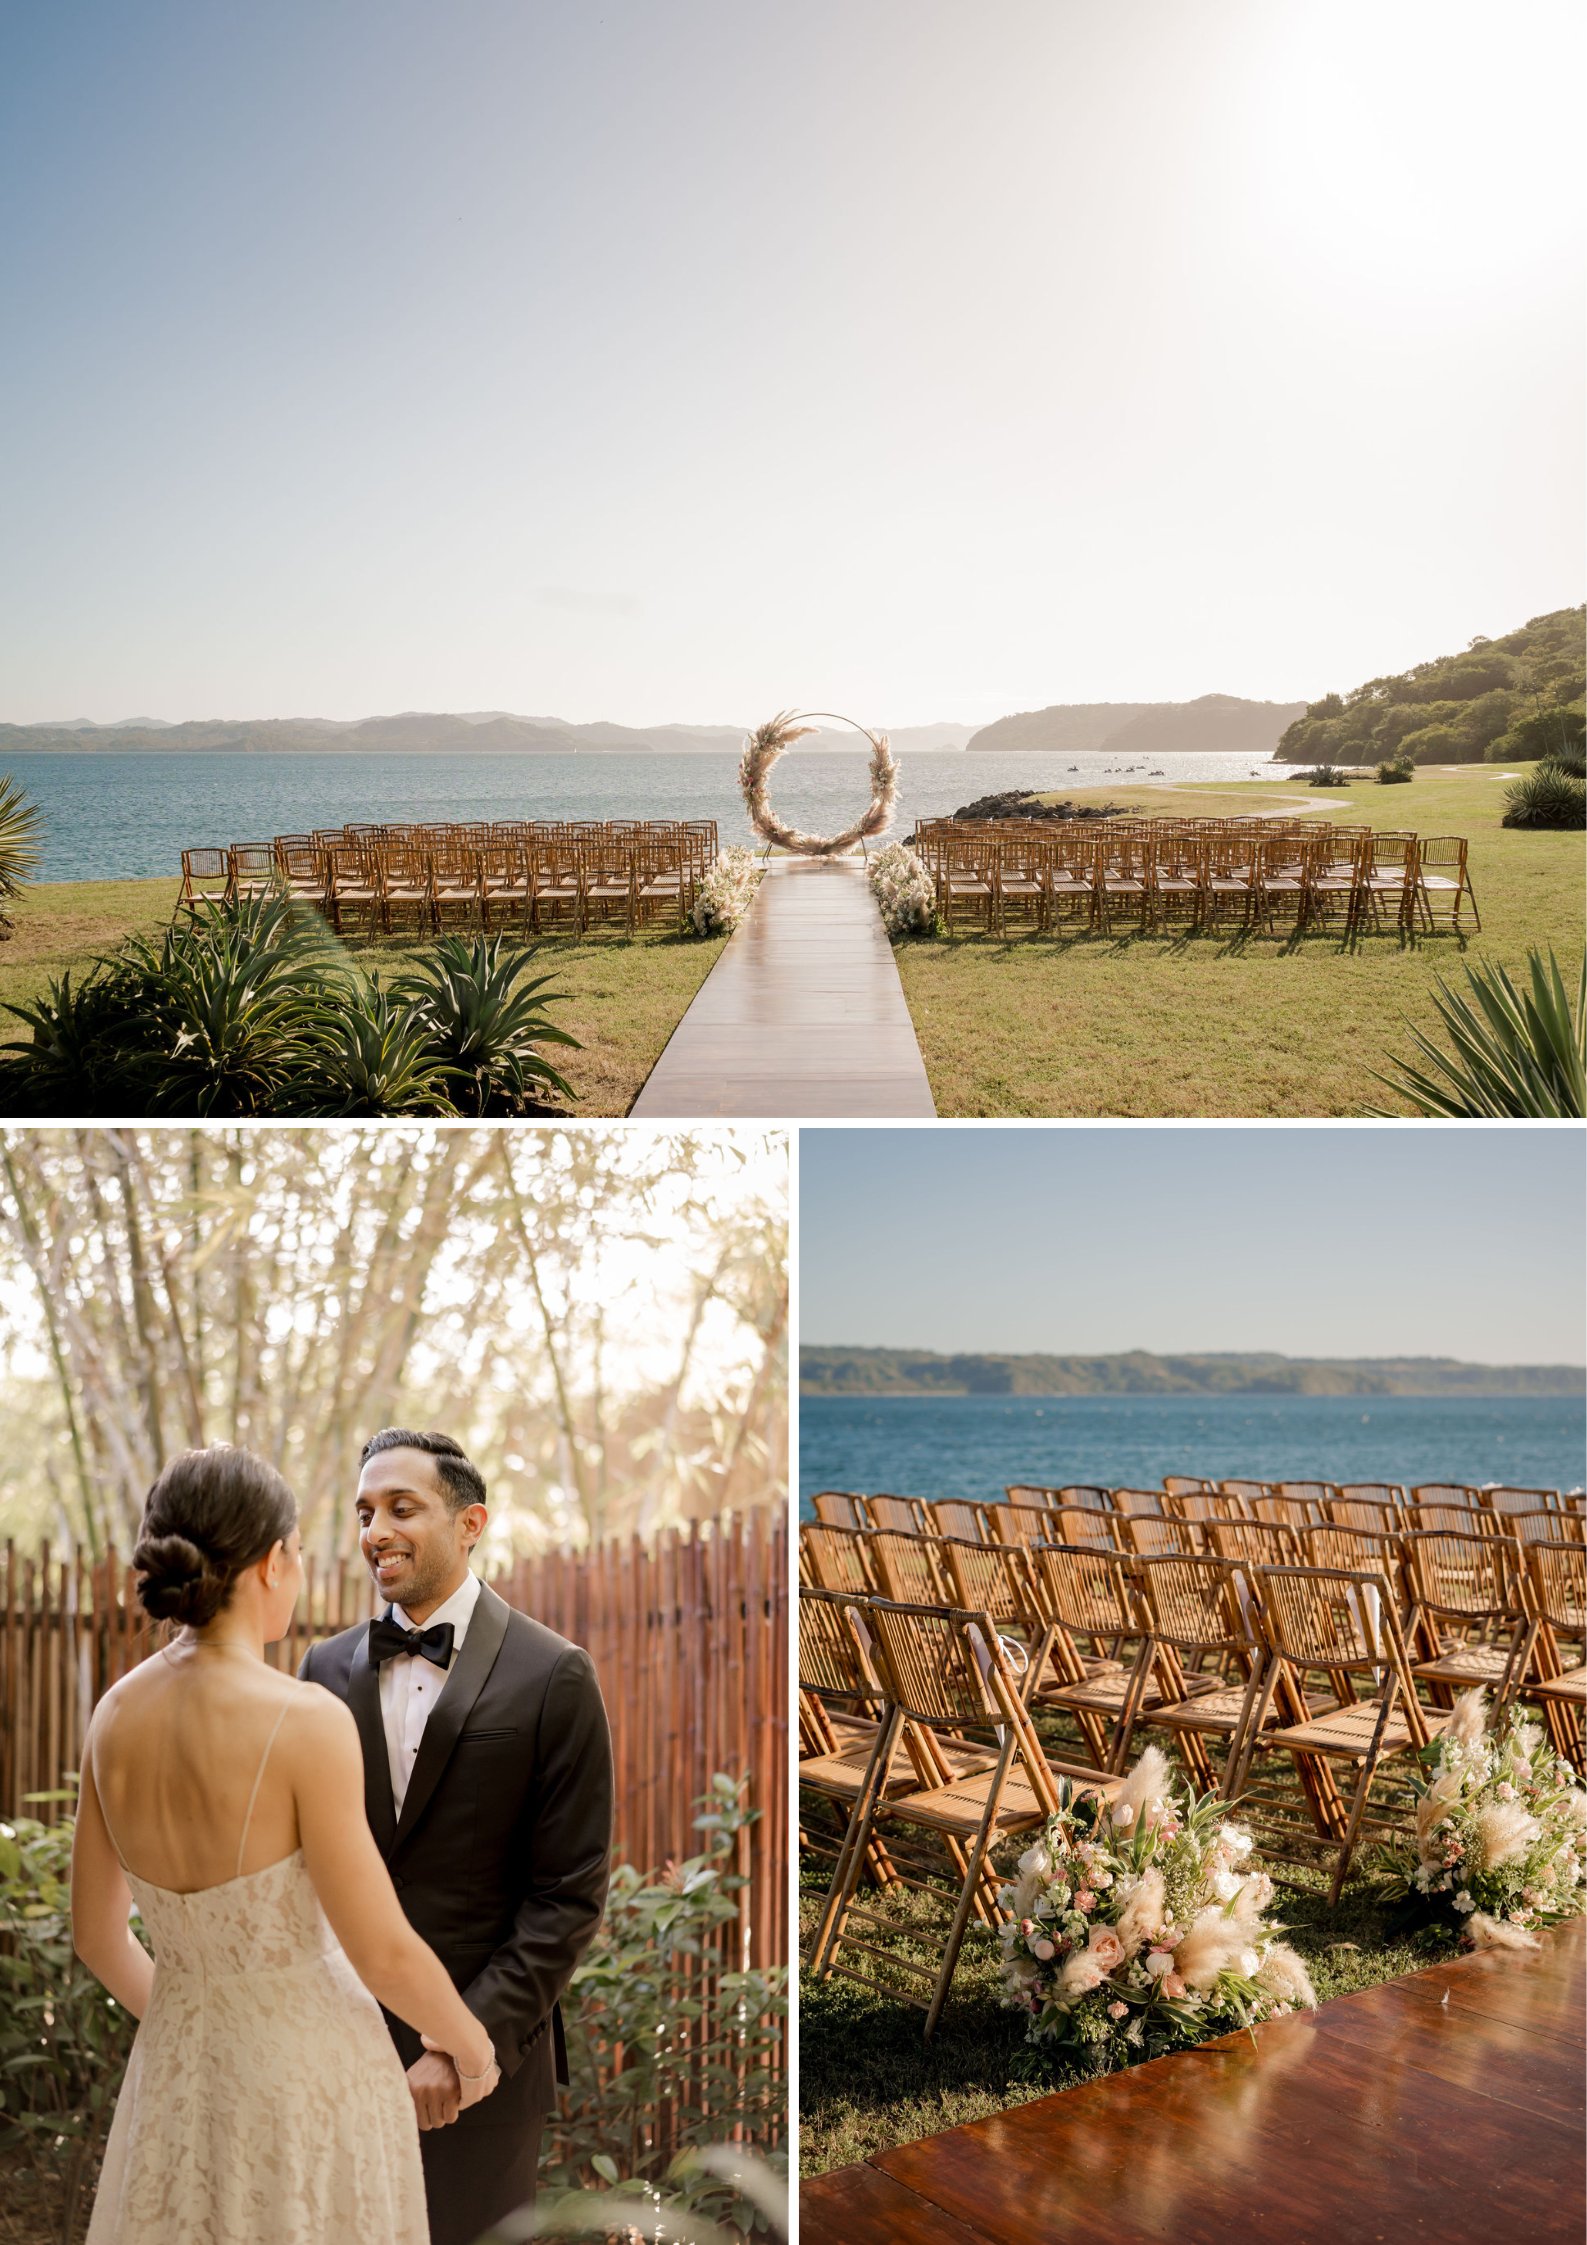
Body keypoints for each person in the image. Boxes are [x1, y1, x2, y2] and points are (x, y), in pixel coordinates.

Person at [72, 1445, 500, 2245]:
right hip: (306, 2081)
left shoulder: (112, 1716)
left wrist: (200, 2017)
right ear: (272, 1563)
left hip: (176, 2075)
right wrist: (474, 2053)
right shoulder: (303, 1719)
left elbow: (97, 1936)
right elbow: (382, 1951)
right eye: (300, 1552)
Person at [300, 1428, 613, 2245]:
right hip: (334, 2053)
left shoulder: (554, 1674)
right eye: (365, 1511)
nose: (375, 1531)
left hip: (482, 2074)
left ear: (470, 1523)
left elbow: (567, 1897)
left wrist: (458, 2044)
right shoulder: (322, 1671)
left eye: (402, 1507)